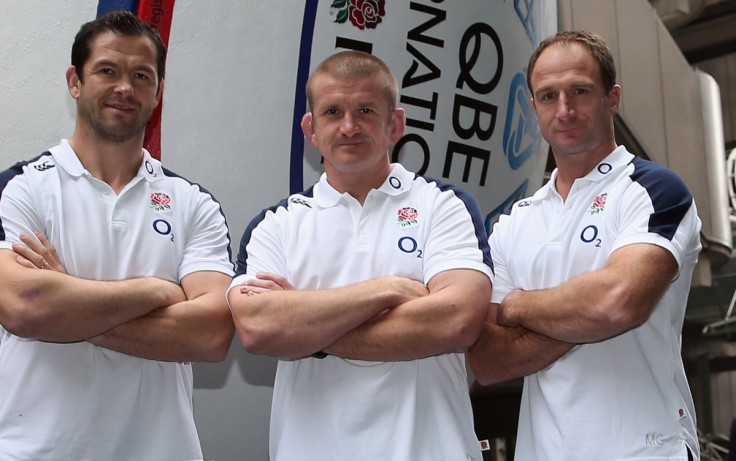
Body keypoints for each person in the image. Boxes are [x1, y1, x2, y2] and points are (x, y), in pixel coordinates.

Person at [227, 50, 493, 460]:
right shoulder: (275, 224)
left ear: (396, 124)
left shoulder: (444, 205)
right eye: (333, 112)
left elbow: (459, 320)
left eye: (366, 110)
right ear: (311, 129)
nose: (349, 126)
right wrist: (387, 290)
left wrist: (306, 330)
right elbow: (259, 329)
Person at [0, 11, 234, 460]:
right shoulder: (19, 187)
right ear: (75, 80)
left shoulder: (194, 203)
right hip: (36, 450)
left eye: (141, 76)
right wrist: (158, 290)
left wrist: (67, 303)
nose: (125, 87)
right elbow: (22, 306)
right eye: (107, 70)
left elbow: (212, 333)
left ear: (158, 91)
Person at [467, 30, 702, 461]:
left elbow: (617, 304)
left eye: (580, 91)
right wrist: (583, 313)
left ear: (612, 98)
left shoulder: (653, 189)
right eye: (548, 95)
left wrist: (516, 307)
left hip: (647, 449)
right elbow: (486, 360)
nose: (565, 109)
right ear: (533, 106)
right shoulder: (515, 222)